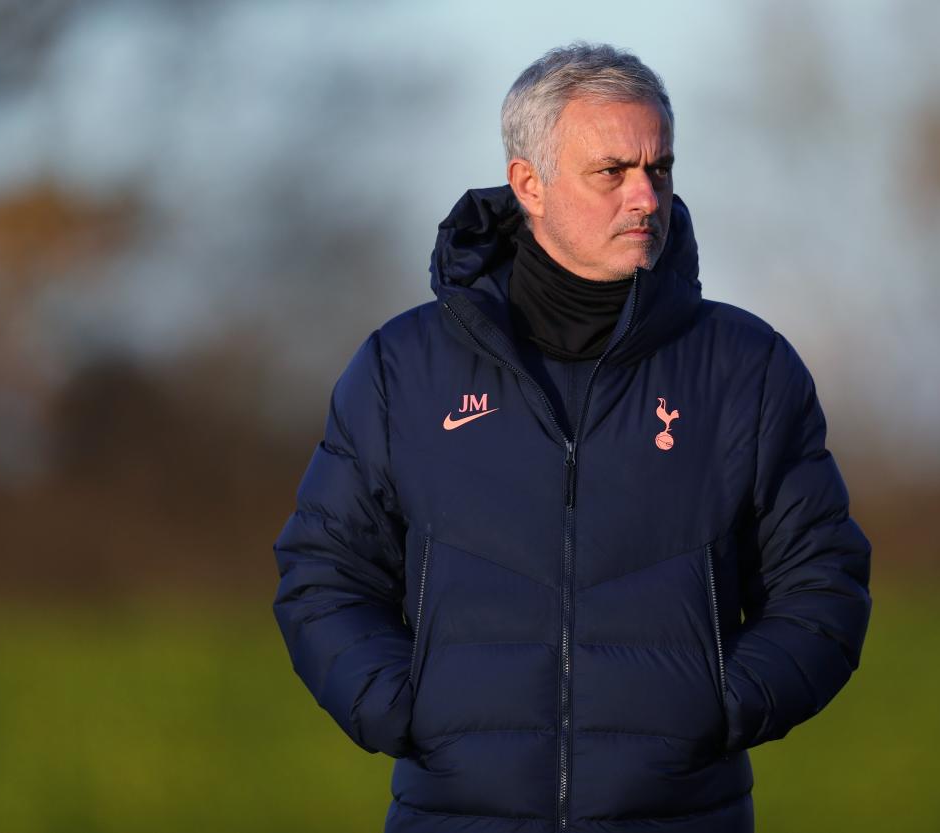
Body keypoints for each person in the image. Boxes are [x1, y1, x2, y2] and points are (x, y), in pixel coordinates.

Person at [271, 41, 872, 833]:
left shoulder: (746, 369)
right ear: (530, 184)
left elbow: (822, 583)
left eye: (658, 169)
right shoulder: (401, 369)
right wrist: (408, 708)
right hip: (457, 815)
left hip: (680, 816)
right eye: (612, 171)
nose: (645, 197)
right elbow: (324, 575)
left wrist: (717, 705)